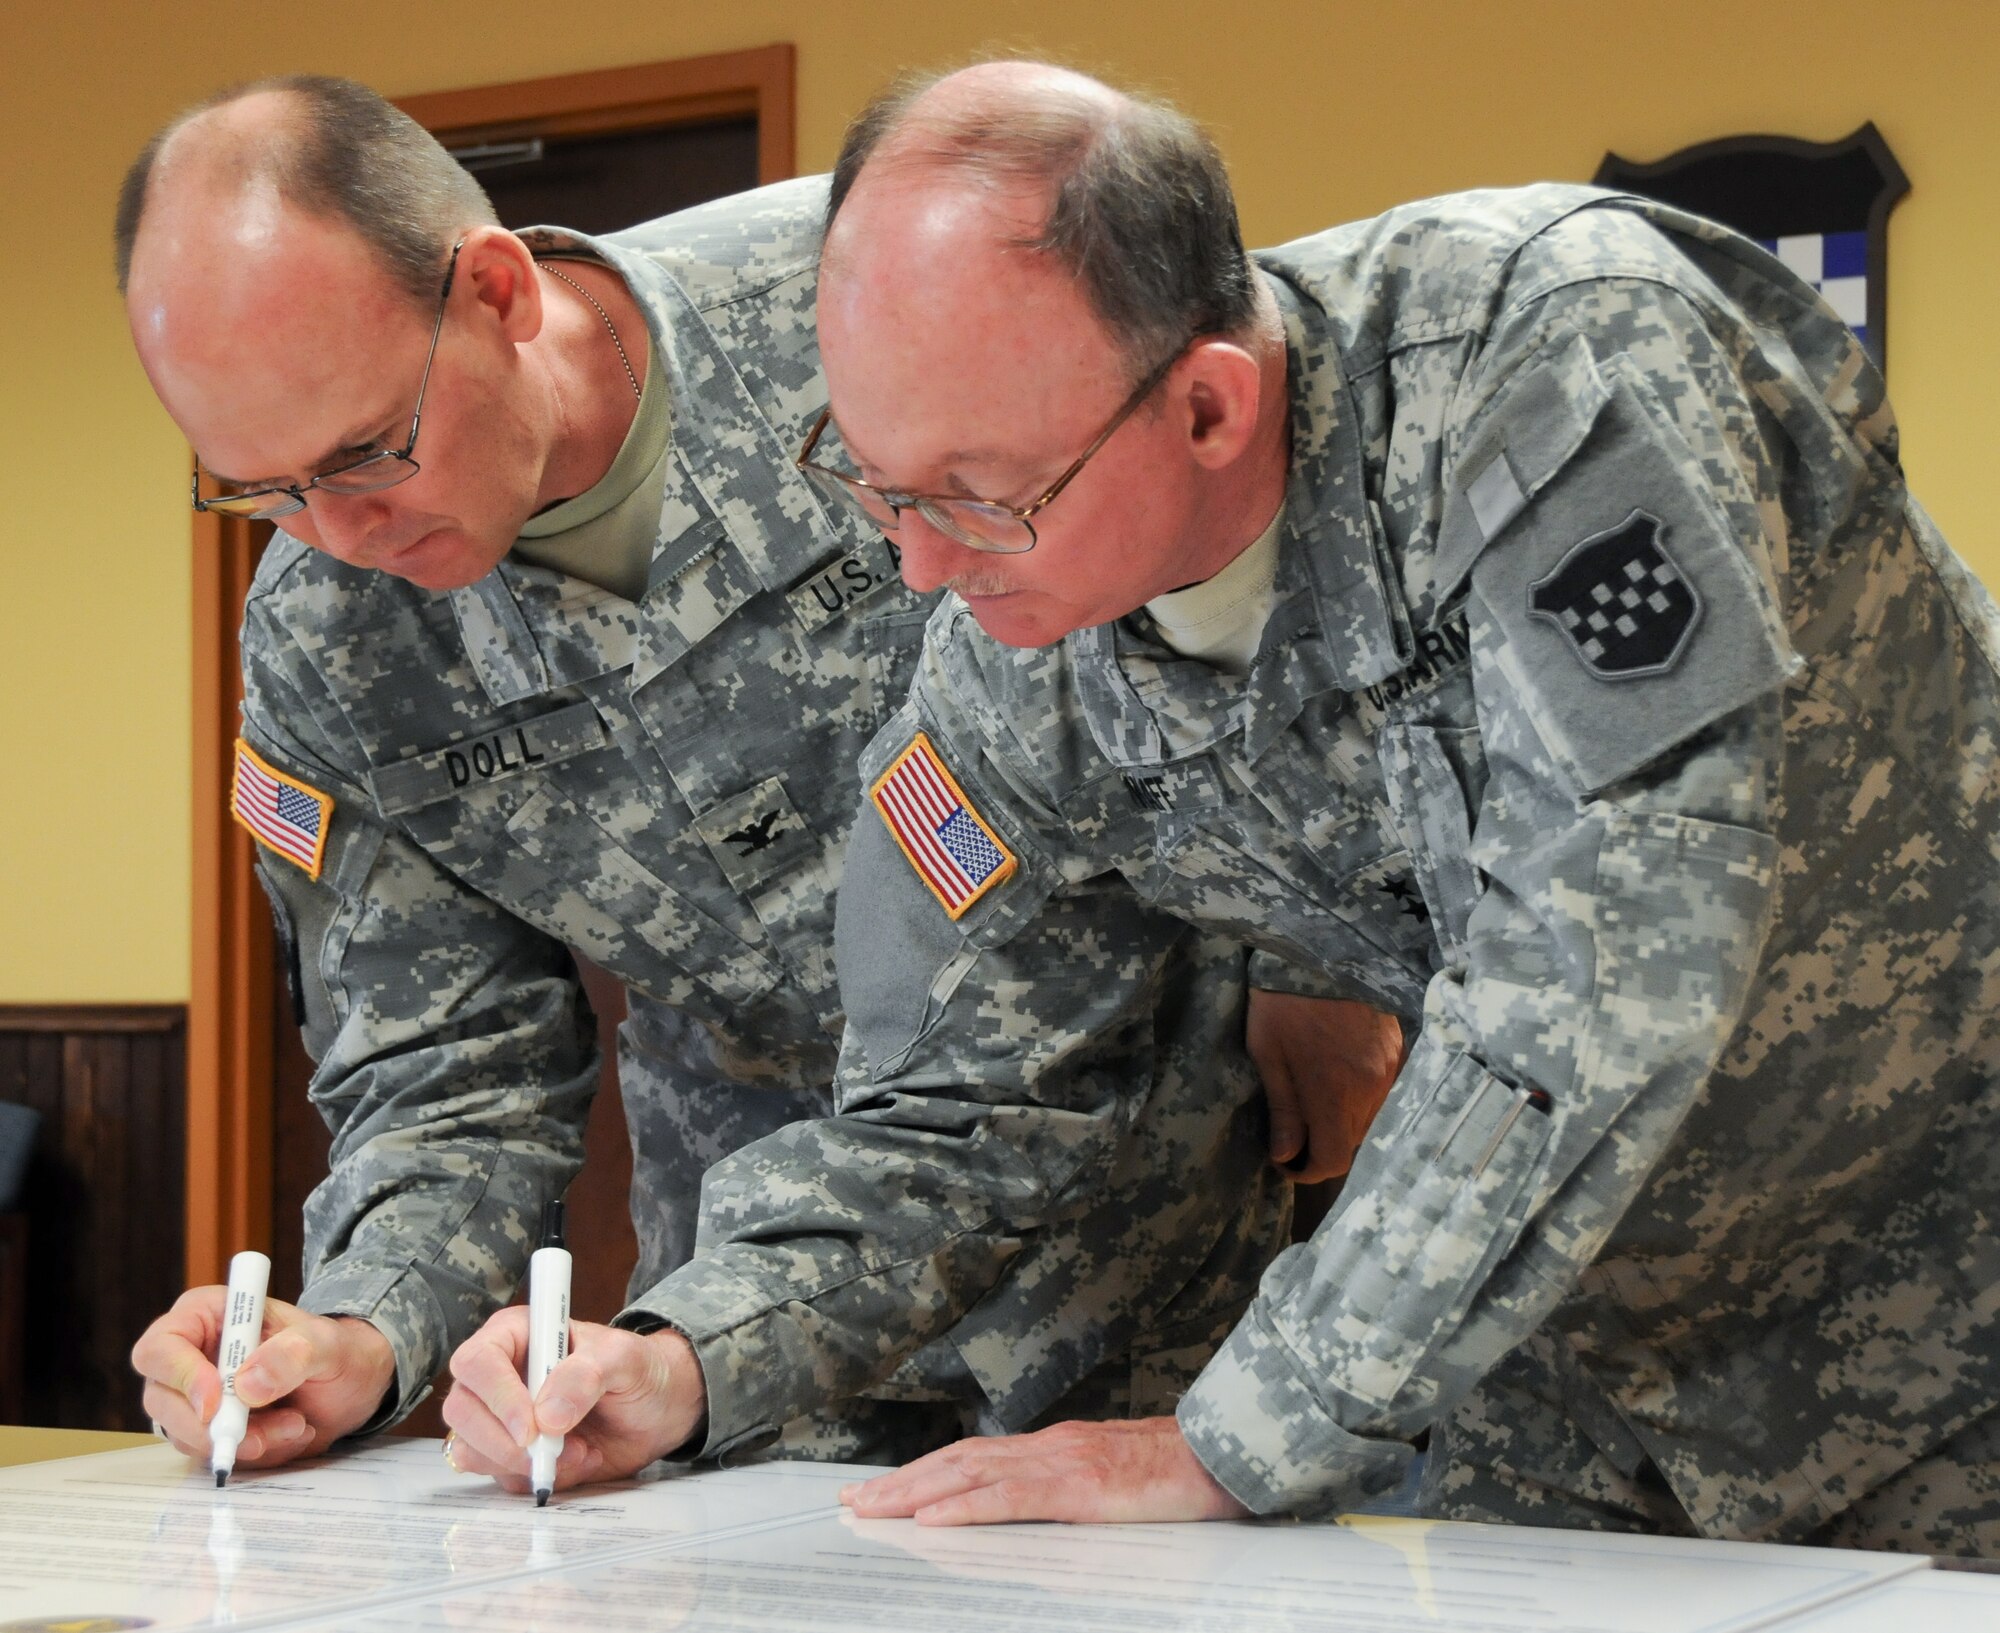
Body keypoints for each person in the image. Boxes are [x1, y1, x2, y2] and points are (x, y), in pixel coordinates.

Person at [472, 61, 1998, 1554]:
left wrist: (1237, 1429)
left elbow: (1611, 959)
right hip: (1569, 1371)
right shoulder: (1013, 661)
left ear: (1208, 406)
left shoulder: (1555, 361)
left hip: (1949, 1302)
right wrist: (689, 1353)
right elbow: (968, 1102)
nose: (925, 569)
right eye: (877, 490)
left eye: (979, 492)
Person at [117, 75, 1397, 1489]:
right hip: (749, 1311)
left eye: (366, 451)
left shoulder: (876, 295)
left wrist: (1319, 946)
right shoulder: (321, 637)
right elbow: (440, 1068)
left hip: (1156, 1201)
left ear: (494, 291)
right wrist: (360, 1329)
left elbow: (1222, 500)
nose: (339, 532)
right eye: (264, 489)